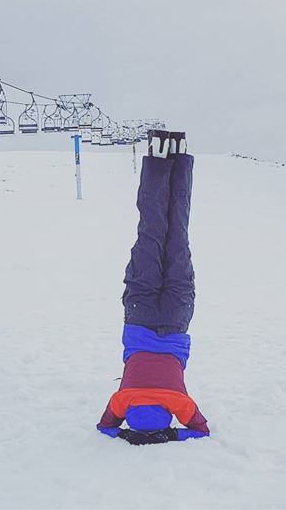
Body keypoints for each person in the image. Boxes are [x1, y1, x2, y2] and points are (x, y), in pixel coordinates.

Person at [97, 130, 210, 445]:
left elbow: (201, 430)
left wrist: (169, 434)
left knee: (177, 235)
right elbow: (105, 427)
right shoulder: (123, 400)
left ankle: (180, 156)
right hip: (140, 314)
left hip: (175, 319)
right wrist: (129, 433)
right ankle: (159, 155)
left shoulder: (178, 402)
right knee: (150, 231)